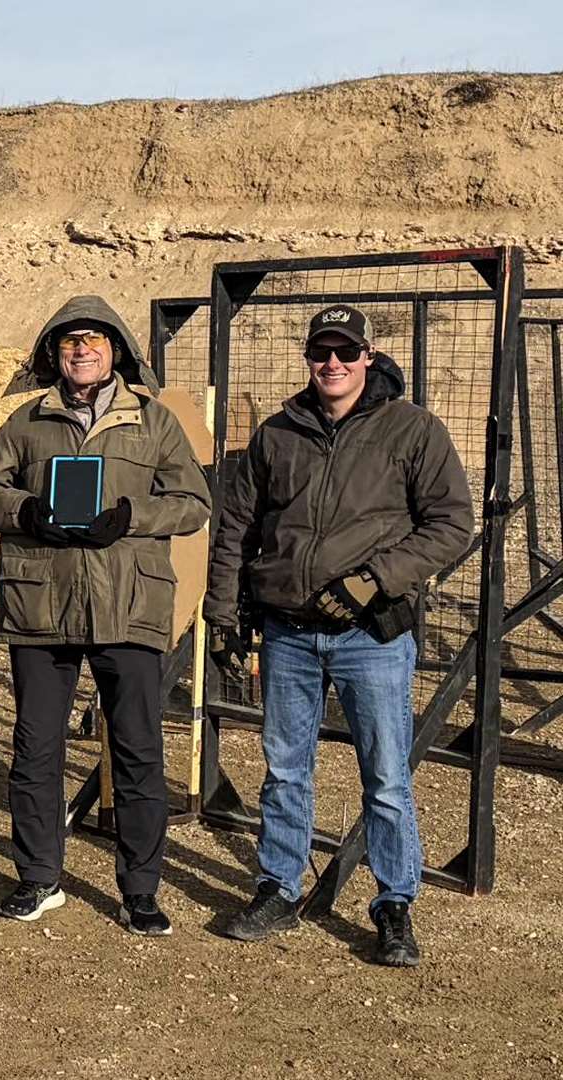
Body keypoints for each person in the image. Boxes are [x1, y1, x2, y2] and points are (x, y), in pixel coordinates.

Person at [206, 304, 473, 968]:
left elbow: (450, 524)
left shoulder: (413, 431)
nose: (333, 364)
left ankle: (393, 906)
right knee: (285, 769)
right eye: (321, 352)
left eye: (345, 352)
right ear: (309, 358)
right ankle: (277, 889)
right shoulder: (277, 434)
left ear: (368, 356)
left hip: (369, 634)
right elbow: (235, 529)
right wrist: (223, 614)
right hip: (288, 632)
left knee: (385, 776)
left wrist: (374, 579)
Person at [0, 297, 211, 934]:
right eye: (70, 341)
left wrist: (133, 517)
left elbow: (192, 502)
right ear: (55, 353)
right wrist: (25, 512)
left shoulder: (153, 422)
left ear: (117, 352)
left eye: (94, 340)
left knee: (137, 750)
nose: (81, 350)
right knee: (36, 750)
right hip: (42, 605)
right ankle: (39, 877)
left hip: (128, 606)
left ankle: (140, 890)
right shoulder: (26, 422)